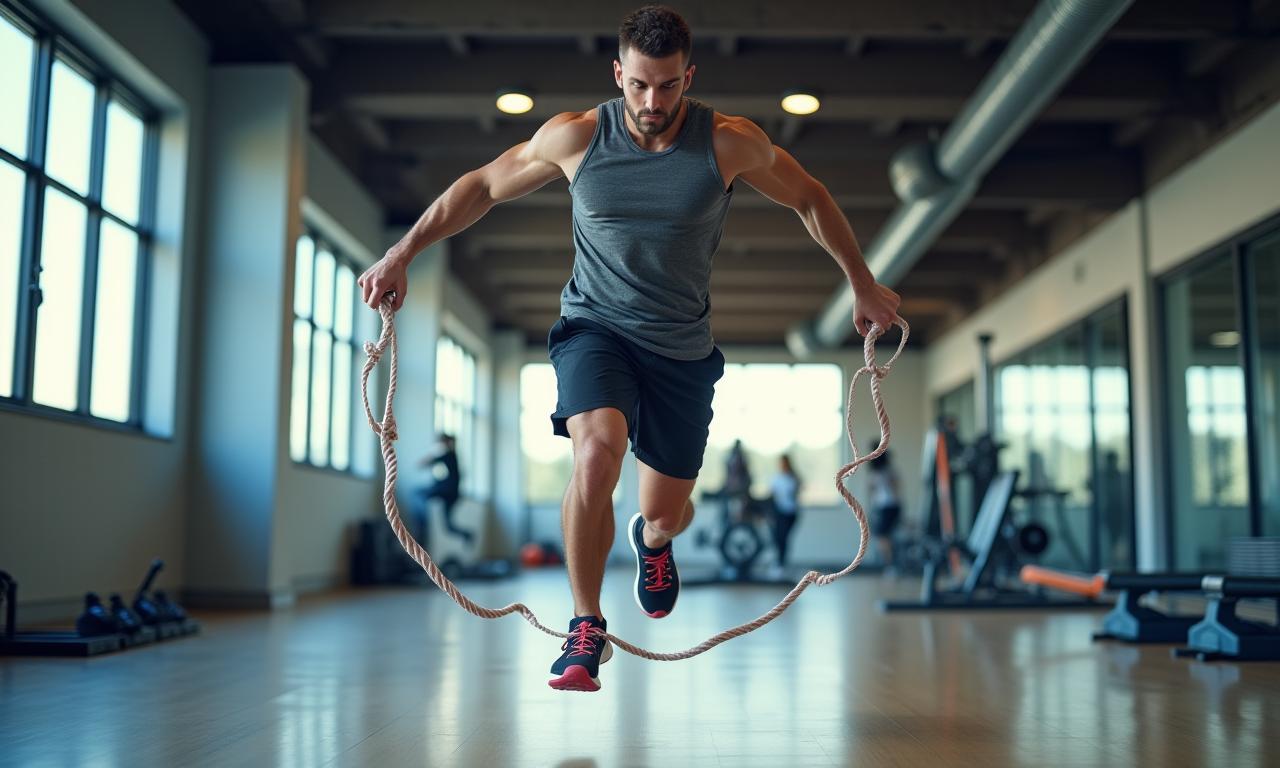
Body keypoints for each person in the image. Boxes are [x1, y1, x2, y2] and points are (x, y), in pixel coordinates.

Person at [358, 5, 902, 692]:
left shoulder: (728, 142)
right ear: (618, 74)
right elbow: (483, 186)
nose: (652, 102)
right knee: (595, 451)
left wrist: (863, 284)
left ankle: (654, 543)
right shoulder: (576, 136)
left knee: (665, 511)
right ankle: (586, 626)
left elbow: (811, 197)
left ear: (688, 76)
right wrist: (402, 253)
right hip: (595, 330)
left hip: (680, 351)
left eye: (668, 85)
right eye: (639, 85)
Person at [414, 434, 472, 547]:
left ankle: (422, 529)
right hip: (453, 494)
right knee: (448, 527)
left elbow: (428, 462)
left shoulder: (450, 455)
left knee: (418, 494)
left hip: (448, 491)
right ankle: (467, 535)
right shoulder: (453, 456)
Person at [768, 454, 802, 577]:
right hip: (779, 513)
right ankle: (779, 563)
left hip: (790, 513)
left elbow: (796, 492)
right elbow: (772, 495)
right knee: (778, 539)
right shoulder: (776, 478)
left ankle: (781, 564)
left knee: (784, 538)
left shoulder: (793, 478)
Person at [868, 449, 902, 570]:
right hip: (883, 507)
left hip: (889, 507)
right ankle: (890, 565)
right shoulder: (877, 473)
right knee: (884, 537)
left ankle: (891, 565)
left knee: (883, 537)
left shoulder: (888, 472)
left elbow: (895, 489)